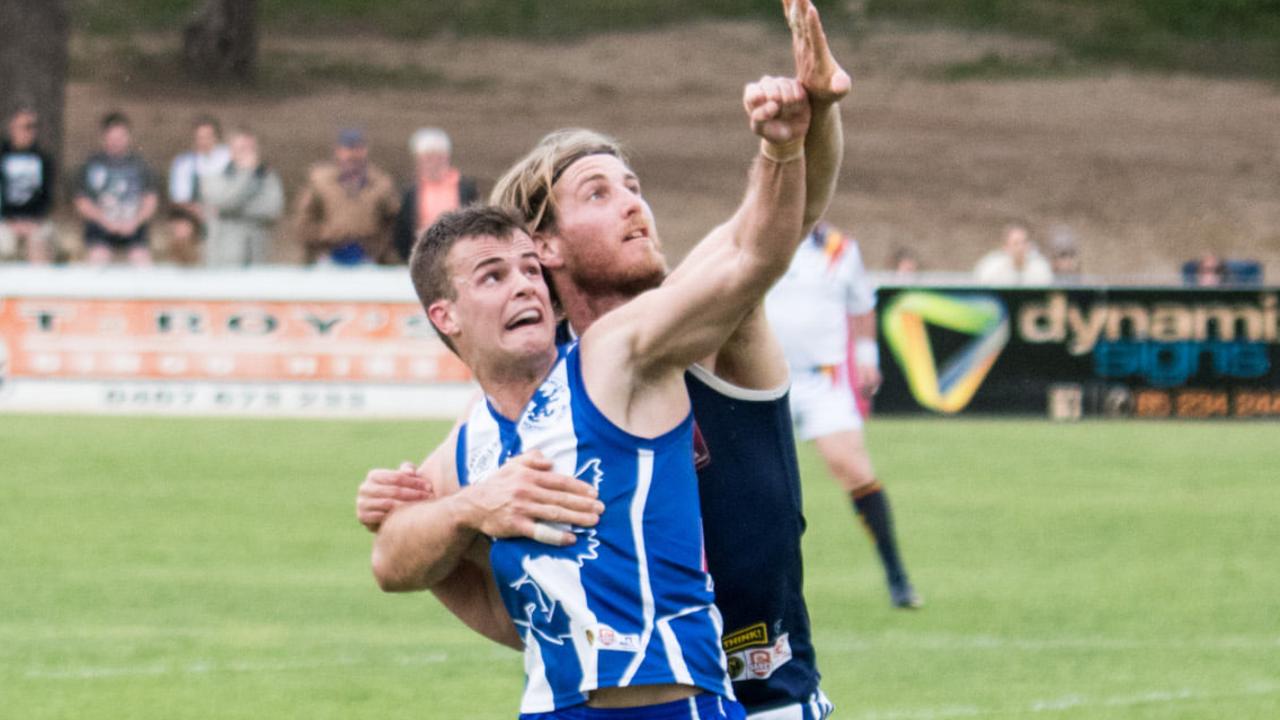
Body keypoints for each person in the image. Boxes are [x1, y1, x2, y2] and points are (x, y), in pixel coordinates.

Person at [359, 3, 850, 716]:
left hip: (768, 695)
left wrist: (818, 114)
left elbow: (776, 227)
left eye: (634, 188)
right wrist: (450, 517)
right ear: (544, 247)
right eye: (600, 191)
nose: (635, 206)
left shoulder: (698, 324)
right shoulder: (530, 396)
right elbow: (422, 563)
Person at [764, 222, 922, 609]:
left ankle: (896, 575)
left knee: (853, 469)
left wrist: (867, 358)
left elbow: (862, 306)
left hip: (824, 380)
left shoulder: (840, 250)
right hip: (764, 377)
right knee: (756, 485)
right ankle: (749, 586)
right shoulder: (760, 235)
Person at [293, 128, 400, 265]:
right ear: (338, 151)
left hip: (368, 259)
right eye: (347, 149)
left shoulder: (381, 185)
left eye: (357, 148)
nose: (352, 155)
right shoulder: (319, 183)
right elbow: (303, 220)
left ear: (365, 150)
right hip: (328, 257)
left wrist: (379, 248)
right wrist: (324, 238)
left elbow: (393, 221)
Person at [73, 111, 160, 267]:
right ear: (103, 138)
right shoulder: (91, 165)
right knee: (98, 260)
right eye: (112, 138)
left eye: (120, 137)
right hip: (100, 228)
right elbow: (82, 202)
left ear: (128, 137)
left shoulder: (140, 166)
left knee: (142, 263)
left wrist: (135, 222)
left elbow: (150, 201)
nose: (116, 142)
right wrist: (105, 222)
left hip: (134, 227)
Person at [201, 128, 285, 266]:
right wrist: (247, 175)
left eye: (251, 149)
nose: (247, 153)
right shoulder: (214, 178)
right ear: (231, 151)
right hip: (223, 260)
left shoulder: (268, 178)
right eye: (242, 148)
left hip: (256, 258)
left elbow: (272, 210)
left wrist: (230, 211)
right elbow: (224, 203)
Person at [393, 127, 479, 262]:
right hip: (423, 257)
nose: (432, 163)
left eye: (436, 157)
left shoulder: (465, 188)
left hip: (459, 256)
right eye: (426, 158)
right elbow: (402, 229)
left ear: (446, 157)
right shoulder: (410, 192)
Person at [165, 115, 230, 265]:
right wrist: (200, 211)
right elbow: (180, 199)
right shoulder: (184, 163)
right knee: (181, 229)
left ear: (216, 137)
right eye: (200, 137)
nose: (204, 142)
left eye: (208, 137)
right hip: (195, 215)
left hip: (225, 211)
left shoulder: (229, 159)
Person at [0, 107, 58, 264]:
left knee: (39, 241)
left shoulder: (43, 159)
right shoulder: (2, 156)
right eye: (24, 127)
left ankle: (37, 288)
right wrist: (11, 221)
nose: (28, 132)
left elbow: (46, 197)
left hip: (35, 220)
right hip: (5, 220)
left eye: (33, 127)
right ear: (12, 127)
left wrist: (32, 222)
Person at [973, 222, 1053, 285]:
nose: (1021, 247)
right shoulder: (991, 266)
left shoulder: (1040, 267)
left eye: (1024, 242)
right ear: (1005, 247)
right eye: (1016, 243)